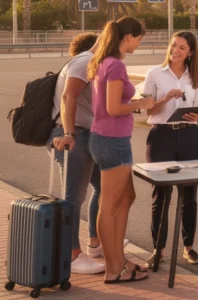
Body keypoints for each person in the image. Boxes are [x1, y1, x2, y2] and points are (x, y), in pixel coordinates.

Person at [87, 16, 154, 283]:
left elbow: (110, 104)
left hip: (108, 139)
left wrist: (139, 102)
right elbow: (114, 108)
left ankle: (119, 261)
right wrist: (142, 104)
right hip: (112, 141)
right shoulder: (115, 66)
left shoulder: (105, 62)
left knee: (125, 199)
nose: (139, 44)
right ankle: (114, 269)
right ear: (128, 37)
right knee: (110, 204)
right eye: (139, 39)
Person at [141, 31, 198, 269]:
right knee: (161, 195)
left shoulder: (196, 76)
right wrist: (166, 99)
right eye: (173, 45)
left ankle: (188, 248)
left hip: (190, 135)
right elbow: (147, 110)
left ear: (190, 52)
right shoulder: (154, 74)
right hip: (161, 137)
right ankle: (158, 250)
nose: (175, 51)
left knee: (190, 195)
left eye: (182, 47)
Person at [48, 32, 111, 275]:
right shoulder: (84, 62)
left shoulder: (90, 63)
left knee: (102, 187)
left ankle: (94, 243)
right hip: (73, 136)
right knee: (73, 197)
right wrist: (70, 134)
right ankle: (72, 255)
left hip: (85, 134)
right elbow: (67, 97)